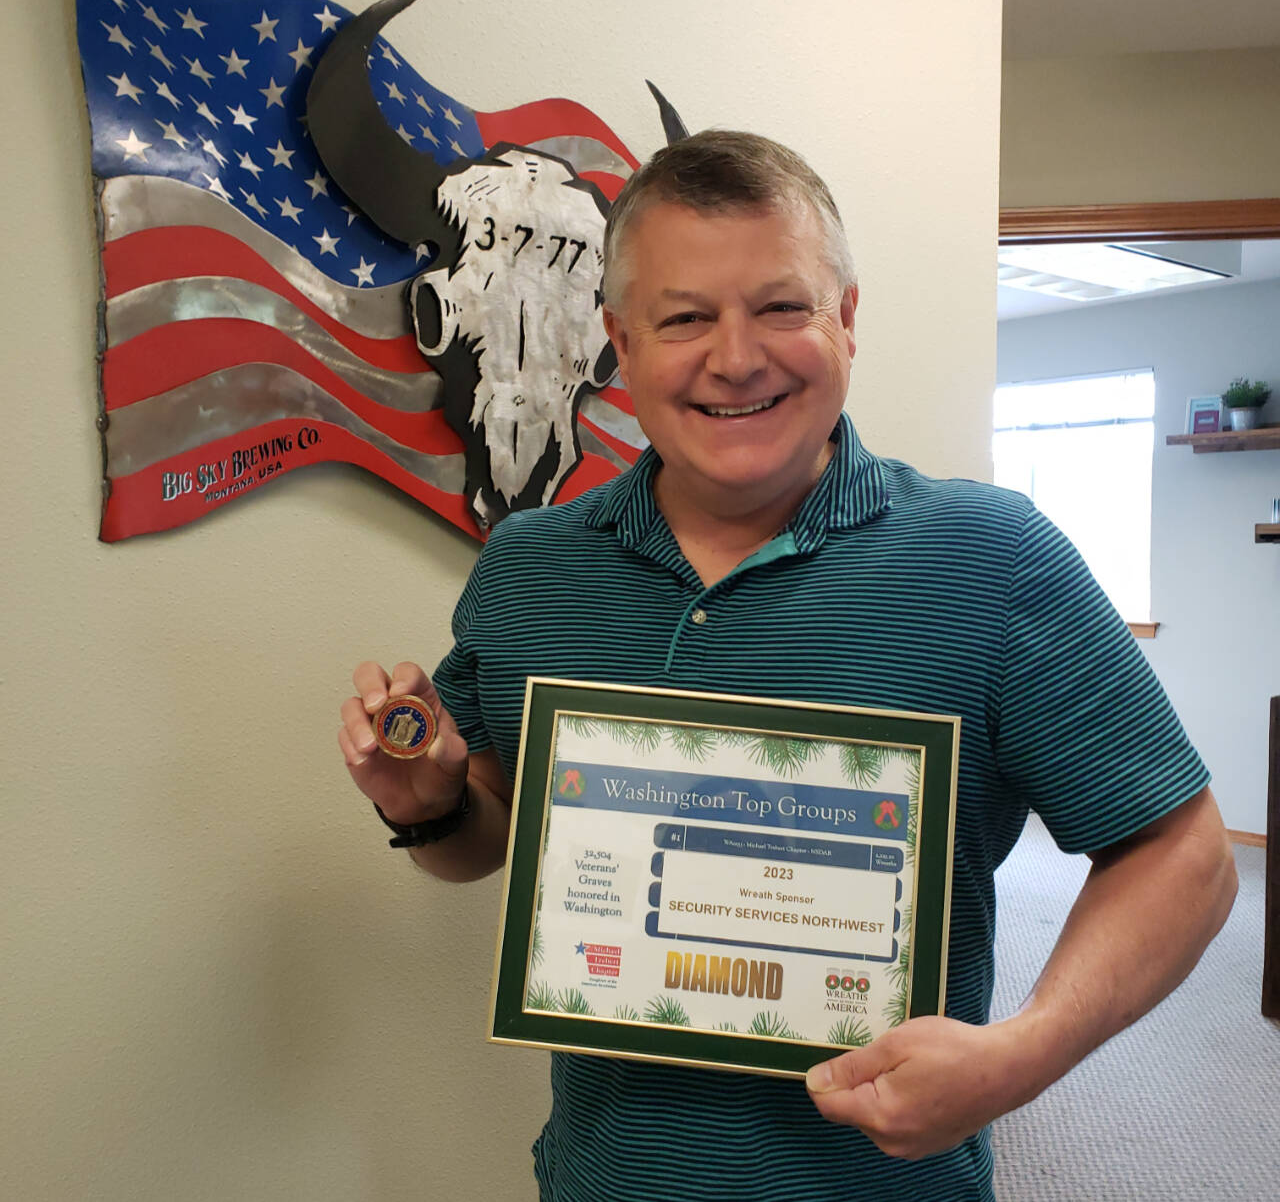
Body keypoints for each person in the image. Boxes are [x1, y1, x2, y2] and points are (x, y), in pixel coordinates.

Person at [338, 131, 1237, 1200]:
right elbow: (484, 839)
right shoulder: (528, 568)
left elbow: (1184, 858)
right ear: (619, 344)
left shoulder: (993, 558)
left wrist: (1019, 1056)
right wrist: (430, 799)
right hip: (604, 1178)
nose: (734, 357)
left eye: (780, 307)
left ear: (844, 320)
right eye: (683, 318)